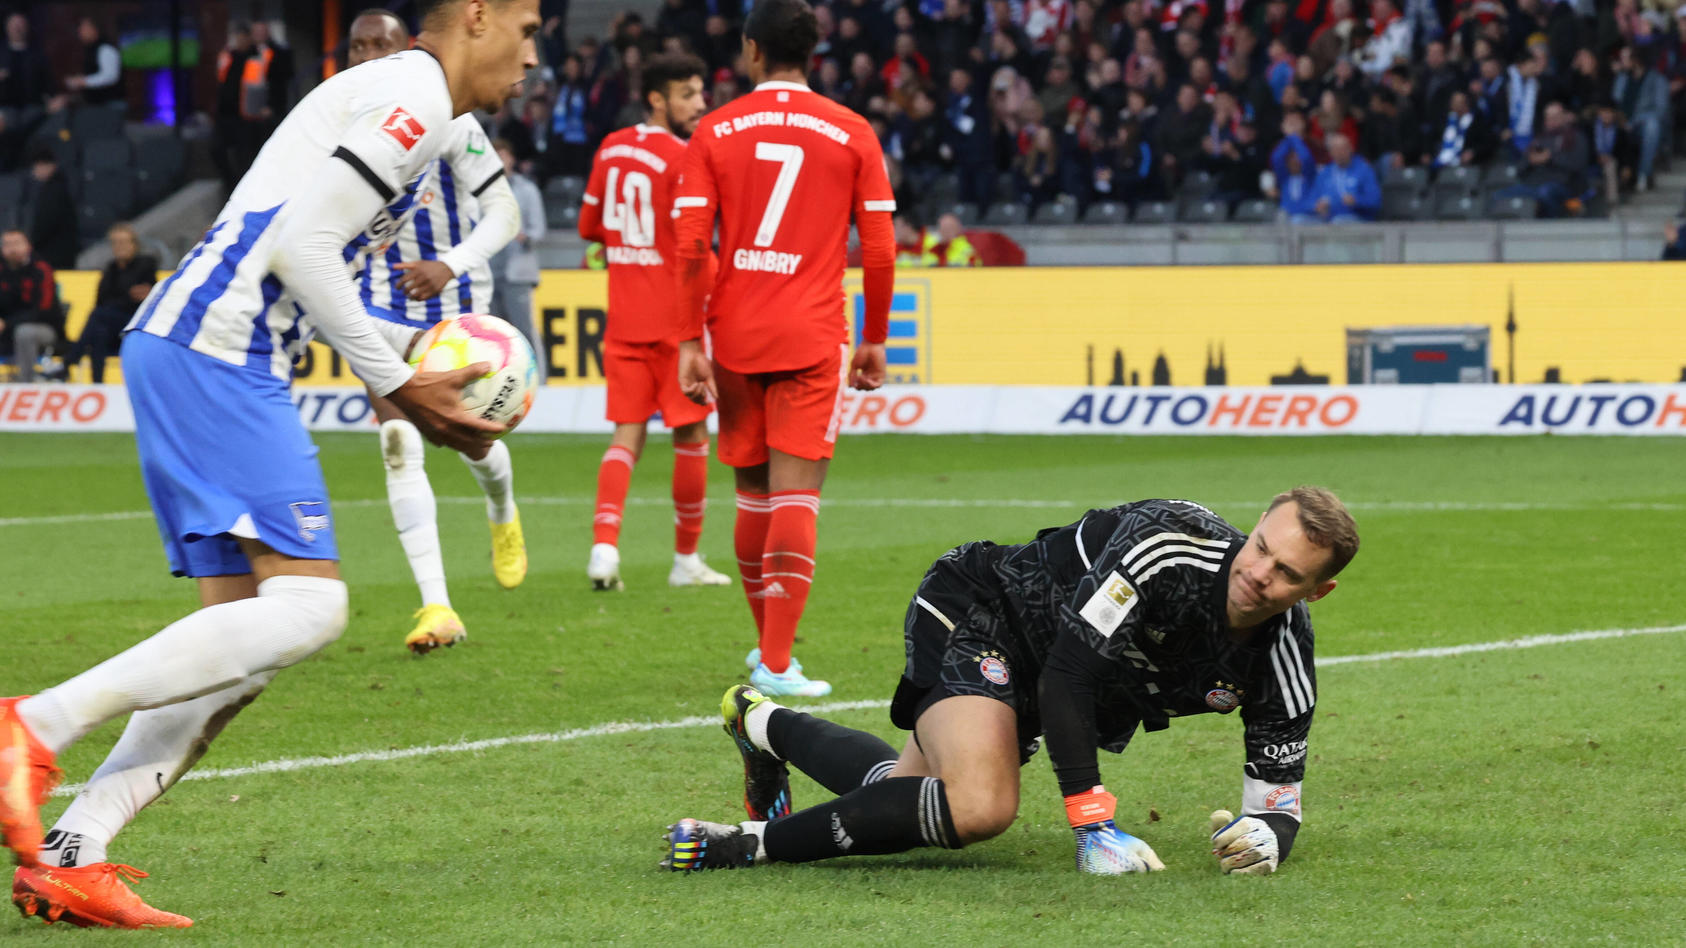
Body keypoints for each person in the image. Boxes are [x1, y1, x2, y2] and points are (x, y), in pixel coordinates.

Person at [0, 0, 538, 928]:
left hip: (201, 342)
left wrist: (405, 368)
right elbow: (302, 247)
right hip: (221, 345)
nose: (536, 54)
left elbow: (313, 243)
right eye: (529, 28)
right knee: (311, 606)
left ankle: (72, 851)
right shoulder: (415, 90)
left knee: (236, 651)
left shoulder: (427, 110)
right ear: (477, 17)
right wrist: (403, 387)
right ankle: (31, 727)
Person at [663, 488, 1359, 877]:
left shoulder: (1283, 660)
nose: (1258, 572)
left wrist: (1269, 837)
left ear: (1316, 592)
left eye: (1287, 574)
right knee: (981, 806)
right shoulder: (1169, 544)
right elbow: (1071, 672)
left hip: (1045, 667)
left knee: (896, 802)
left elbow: (1279, 799)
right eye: (1261, 546)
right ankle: (744, 844)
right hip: (985, 611)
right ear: (1256, 525)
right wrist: (1093, 823)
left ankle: (758, 723)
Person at [672, 0, 894, 697]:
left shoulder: (713, 129)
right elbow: (880, 247)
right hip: (811, 332)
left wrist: (688, 340)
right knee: (797, 497)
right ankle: (774, 662)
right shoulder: (852, 130)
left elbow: (687, 246)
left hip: (735, 333)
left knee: (752, 497)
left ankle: (767, 648)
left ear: (752, 52)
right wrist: (876, 337)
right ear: (810, 53)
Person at [339, 7, 530, 656]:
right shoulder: (341, 124)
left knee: (473, 444)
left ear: (408, 51)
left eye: (379, 44)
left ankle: (502, 506)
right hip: (376, 311)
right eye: (356, 46)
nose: (366, 56)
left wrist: (449, 264)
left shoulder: (444, 115)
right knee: (397, 438)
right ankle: (437, 603)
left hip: (454, 311)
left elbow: (503, 211)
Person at [578, 53, 731, 592]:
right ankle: (686, 560)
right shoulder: (684, 157)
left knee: (625, 437)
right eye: (689, 93)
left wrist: (633, 250)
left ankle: (603, 551)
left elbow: (589, 225)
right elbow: (693, 247)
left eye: (700, 92)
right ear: (657, 99)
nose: (700, 103)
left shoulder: (611, 147)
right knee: (690, 434)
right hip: (676, 323)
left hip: (624, 317)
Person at [64, 222, 157, 383]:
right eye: (115, 242)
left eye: (123, 242)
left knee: (98, 315)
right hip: (112, 326)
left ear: (134, 244)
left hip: (135, 324)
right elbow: (102, 300)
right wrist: (124, 298)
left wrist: (121, 300)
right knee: (99, 332)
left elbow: (136, 300)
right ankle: (98, 384)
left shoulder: (145, 264)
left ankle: (71, 359)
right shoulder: (110, 269)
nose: (119, 247)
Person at [489, 136, 545, 355]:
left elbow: (539, 229)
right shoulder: (481, 190)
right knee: (493, 335)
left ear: (511, 158)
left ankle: (539, 383)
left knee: (524, 331)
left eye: (502, 156)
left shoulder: (527, 189)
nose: (498, 161)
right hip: (490, 272)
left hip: (517, 271)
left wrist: (523, 236)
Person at [0, 229, 59, 381]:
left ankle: (25, 383)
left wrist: (7, 323)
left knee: (24, 332)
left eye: (17, 243)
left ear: (28, 246)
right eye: (7, 244)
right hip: (7, 329)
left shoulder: (41, 270)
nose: (12, 249)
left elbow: (44, 310)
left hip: (44, 329)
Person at [22, 149, 77, 270]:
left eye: (38, 166)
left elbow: (46, 222)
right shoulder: (57, 187)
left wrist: (30, 243)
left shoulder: (53, 191)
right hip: (59, 251)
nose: (35, 171)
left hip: (54, 254)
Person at [1309, 131, 1379, 222]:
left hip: (1357, 219)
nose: (1339, 153)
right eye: (1335, 149)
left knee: (1339, 221)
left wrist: (1356, 201)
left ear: (1350, 149)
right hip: (1327, 219)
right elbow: (1312, 198)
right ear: (1330, 152)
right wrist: (1317, 205)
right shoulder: (1325, 172)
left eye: (1343, 148)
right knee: (1299, 220)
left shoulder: (1364, 170)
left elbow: (1375, 201)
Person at [62, 16, 124, 109]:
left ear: (94, 29)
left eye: (83, 28)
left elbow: (110, 76)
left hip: (110, 105)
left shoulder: (106, 49)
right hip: (95, 104)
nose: (80, 31)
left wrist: (84, 81)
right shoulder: (89, 49)